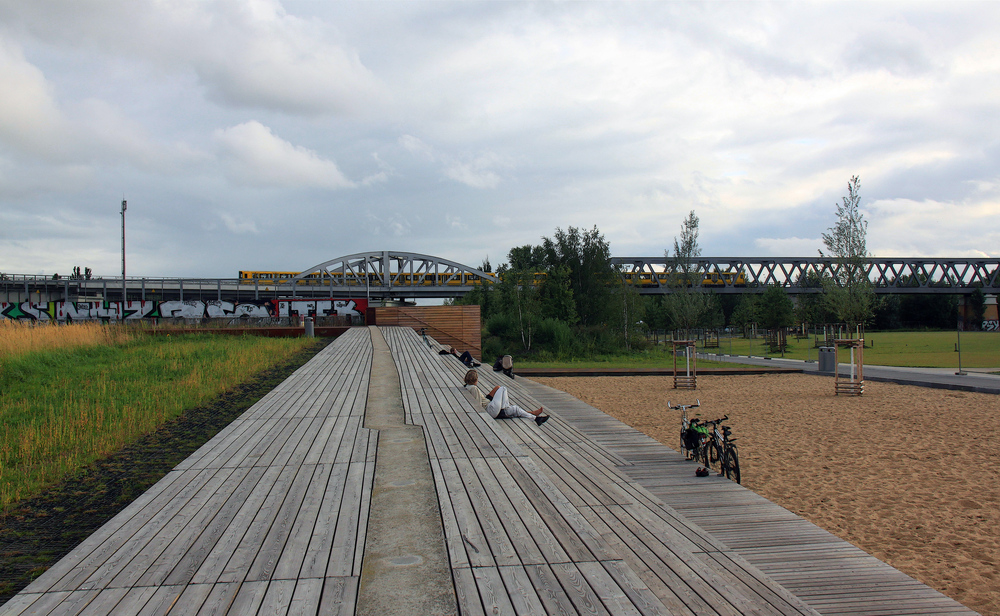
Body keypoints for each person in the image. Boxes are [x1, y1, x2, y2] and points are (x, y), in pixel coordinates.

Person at [463, 370, 548, 425]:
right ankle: (504, 410)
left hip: (491, 408)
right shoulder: (473, 388)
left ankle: (536, 418)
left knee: (515, 409)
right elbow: (478, 405)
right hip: (489, 410)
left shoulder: (468, 387)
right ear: (475, 379)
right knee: (503, 388)